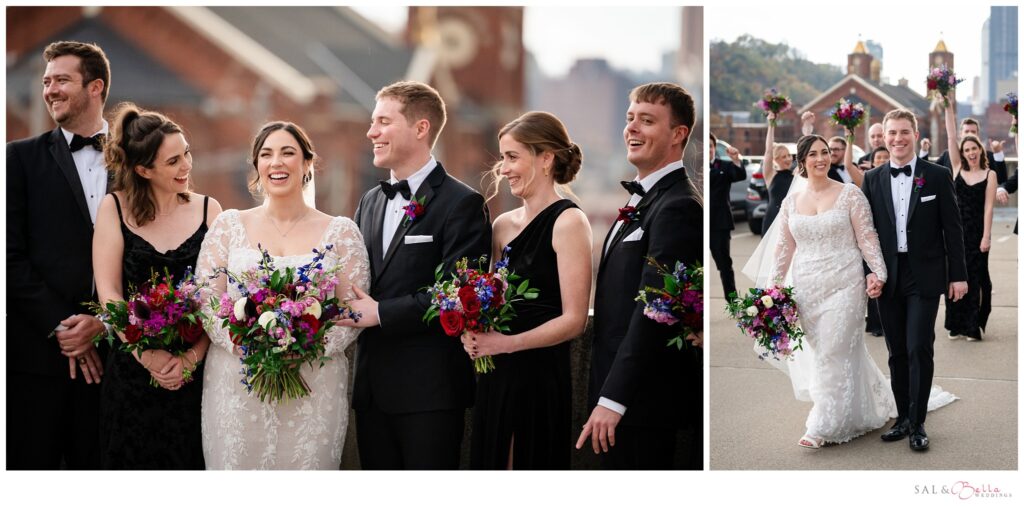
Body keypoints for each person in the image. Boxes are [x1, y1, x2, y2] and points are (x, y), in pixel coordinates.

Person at [197, 121, 369, 469]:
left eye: (288, 153)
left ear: (307, 163)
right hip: (238, 382)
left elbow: (354, 311)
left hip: (313, 383)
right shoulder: (229, 227)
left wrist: (306, 347)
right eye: (267, 154)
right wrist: (248, 345)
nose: (277, 162)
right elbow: (207, 301)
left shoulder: (342, 232)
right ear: (257, 166)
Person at [342, 81, 491, 469]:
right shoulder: (370, 200)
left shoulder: (463, 204)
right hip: (372, 392)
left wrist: (382, 313)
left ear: (421, 128)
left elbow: (458, 294)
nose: (371, 132)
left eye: (383, 122)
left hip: (430, 394)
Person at [578, 82, 702, 469]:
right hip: (613, 392)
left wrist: (614, 400)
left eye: (647, 121)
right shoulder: (643, 198)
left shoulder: (678, 205)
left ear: (678, 134)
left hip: (640, 402)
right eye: (630, 118)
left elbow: (655, 314)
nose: (632, 128)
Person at [459, 111, 592, 469]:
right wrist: (470, 330)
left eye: (513, 157)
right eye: (503, 157)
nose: (503, 169)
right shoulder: (501, 225)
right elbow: (487, 299)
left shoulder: (569, 221)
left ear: (546, 158)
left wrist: (506, 343)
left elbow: (575, 319)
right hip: (494, 374)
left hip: (538, 375)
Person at [93, 103, 221, 469]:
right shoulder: (113, 209)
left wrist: (191, 358)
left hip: (196, 379)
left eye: (187, 154)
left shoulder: (211, 210)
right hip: (132, 377)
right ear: (142, 169)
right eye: (173, 162)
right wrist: (146, 355)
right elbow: (109, 292)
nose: (186, 167)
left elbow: (220, 297)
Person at [7, 40, 112, 469]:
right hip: (36, 359)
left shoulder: (136, 160)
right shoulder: (17, 159)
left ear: (95, 87)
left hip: (117, 360)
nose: (50, 89)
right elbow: (8, 257)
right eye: (46, 80)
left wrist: (102, 324)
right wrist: (65, 328)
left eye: (62, 80)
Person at [861, 108, 967, 452]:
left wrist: (959, 276)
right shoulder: (873, 178)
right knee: (896, 352)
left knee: (919, 347)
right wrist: (870, 274)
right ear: (884, 136)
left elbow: (953, 228)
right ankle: (902, 418)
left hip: (926, 275)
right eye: (891, 132)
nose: (897, 139)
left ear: (916, 135)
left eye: (904, 132)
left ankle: (918, 422)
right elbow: (866, 234)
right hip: (888, 276)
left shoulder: (936, 175)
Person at [939, 96, 997, 342]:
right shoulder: (956, 169)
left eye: (974, 148)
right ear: (962, 153)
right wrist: (948, 107)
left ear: (980, 150)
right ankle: (955, 324)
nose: (971, 152)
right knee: (954, 277)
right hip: (955, 234)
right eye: (967, 149)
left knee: (976, 280)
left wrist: (986, 236)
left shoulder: (990, 174)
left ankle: (973, 325)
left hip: (977, 235)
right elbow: (952, 137)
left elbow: (989, 208)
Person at [708, 133, 747, 298]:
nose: (707, 150)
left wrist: (736, 160)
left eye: (710, 146)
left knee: (724, 264)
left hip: (719, 224)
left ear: (714, 148)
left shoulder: (724, 165)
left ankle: (733, 301)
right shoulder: (692, 168)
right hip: (696, 223)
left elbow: (740, 175)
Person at [923, 117, 1009, 184]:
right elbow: (929, 173)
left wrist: (998, 153)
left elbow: (1002, 180)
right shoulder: (947, 155)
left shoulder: (987, 156)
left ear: (977, 134)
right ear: (960, 134)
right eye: (966, 131)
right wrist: (924, 151)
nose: (970, 134)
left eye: (973, 131)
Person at [760, 111, 796, 235]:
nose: (787, 159)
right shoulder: (771, 175)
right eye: (782, 157)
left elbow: (806, 153)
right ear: (775, 160)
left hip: (792, 220)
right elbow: (769, 151)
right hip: (772, 219)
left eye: (788, 155)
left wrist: (807, 129)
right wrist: (771, 124)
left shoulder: (796, 175)